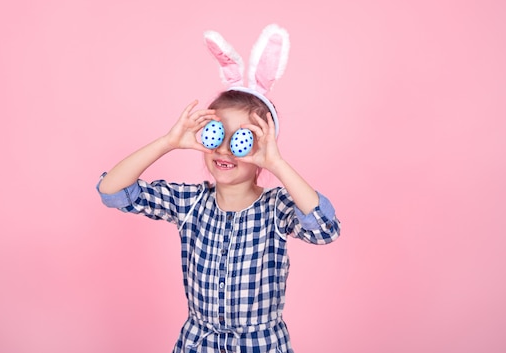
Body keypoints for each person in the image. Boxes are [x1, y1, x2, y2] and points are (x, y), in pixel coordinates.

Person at [97, 24, 341, 353]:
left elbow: (325, 228)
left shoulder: (278, 208)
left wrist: (277, 163)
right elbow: (112, 191)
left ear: (262, 149)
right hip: (198, 343)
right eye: (216, 134)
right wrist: (168, 143)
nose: (225, 148)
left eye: (242, 140)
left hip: (262, 344)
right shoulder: (189, 203)